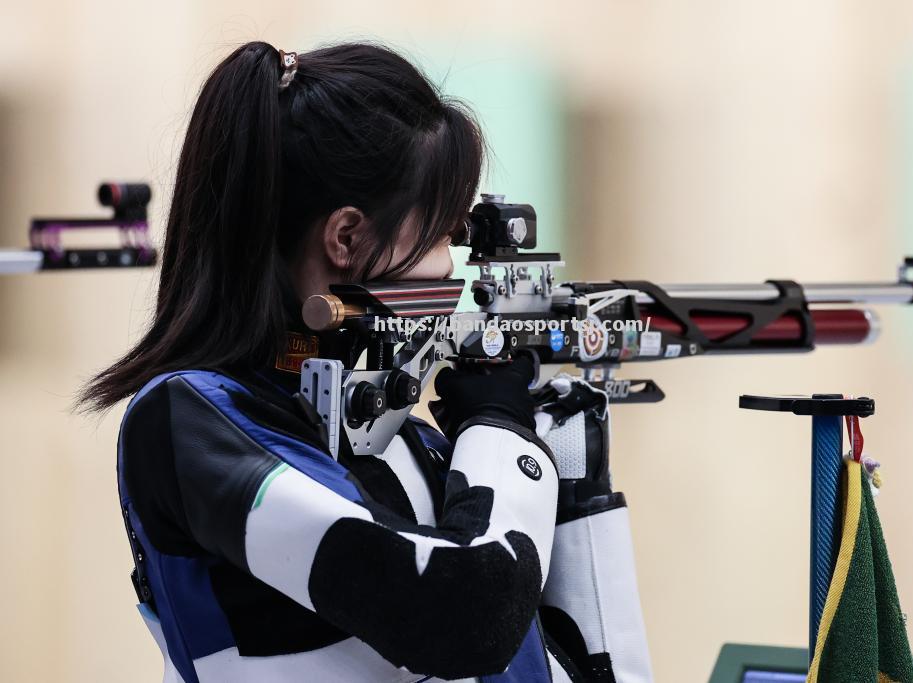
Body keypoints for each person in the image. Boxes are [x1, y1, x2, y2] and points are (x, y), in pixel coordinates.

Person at [82, 41, 653, 682]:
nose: (450, 273)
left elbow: (536, 652)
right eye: (441, 236)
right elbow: (467, 617)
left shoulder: (398, 438)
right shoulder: (190, 423)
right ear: (347, 239)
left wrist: (573, 488)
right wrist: (501, 432)